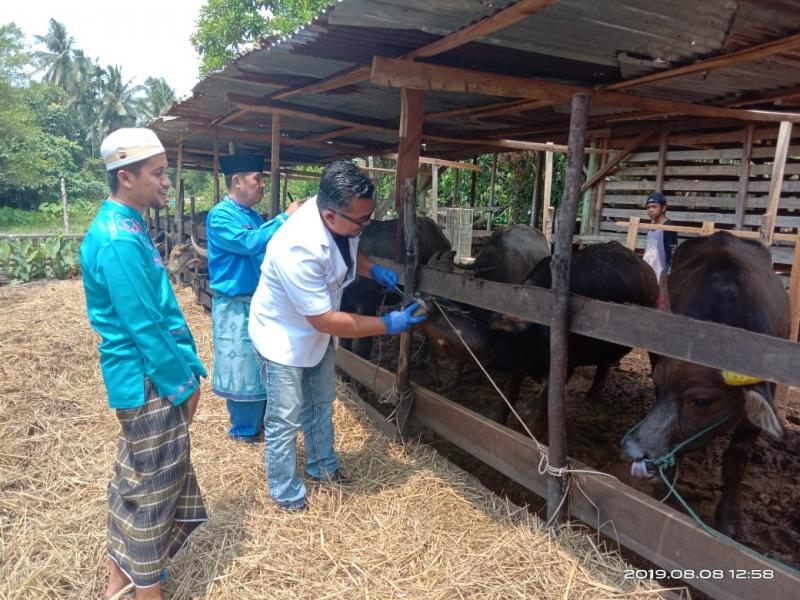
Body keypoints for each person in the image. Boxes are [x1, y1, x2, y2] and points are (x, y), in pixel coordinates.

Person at [249, 160, 425, 511]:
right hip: (282, 336)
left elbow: (350, 248)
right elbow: (327, 321)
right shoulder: (298, 247)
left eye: (369, 216)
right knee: (285, 415)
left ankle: (323, 468)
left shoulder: (341, 220)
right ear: (330, 216)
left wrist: (374, 269)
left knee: (321, 402)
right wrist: (388, 324)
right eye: (361, 220)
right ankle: (285, 490)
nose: (366, 224)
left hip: (314, 331)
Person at [80, 128, 208, 600]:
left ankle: (122, 580)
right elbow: (144, 325)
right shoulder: (116, 238)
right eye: (157, 173)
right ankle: (146, 591)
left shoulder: (127, 223)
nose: (167, 182)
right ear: (125, 176)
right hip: (149, 377)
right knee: (155, 488)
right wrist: (183, 384)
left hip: (150, 374)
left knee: (137, 477)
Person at [206, 153, 301, 442]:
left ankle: (258, 426)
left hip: (259, 302)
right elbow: (250, 243)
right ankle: (243, 432)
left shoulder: (253, 216)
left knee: (261, 364)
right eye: (257, 179)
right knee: (241, 367)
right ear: (236, 181)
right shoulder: (220, 215)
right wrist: (285, 217)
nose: (262, 185)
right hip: (235, 305)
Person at [642, 191, 678, 310]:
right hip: (648, 272)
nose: (650, 210)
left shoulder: (669, 226)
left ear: (663, 208)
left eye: (654, 207)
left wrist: (668, 275)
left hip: (661, 274)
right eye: (648, 207)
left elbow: (672, 251)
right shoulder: (651, 226)